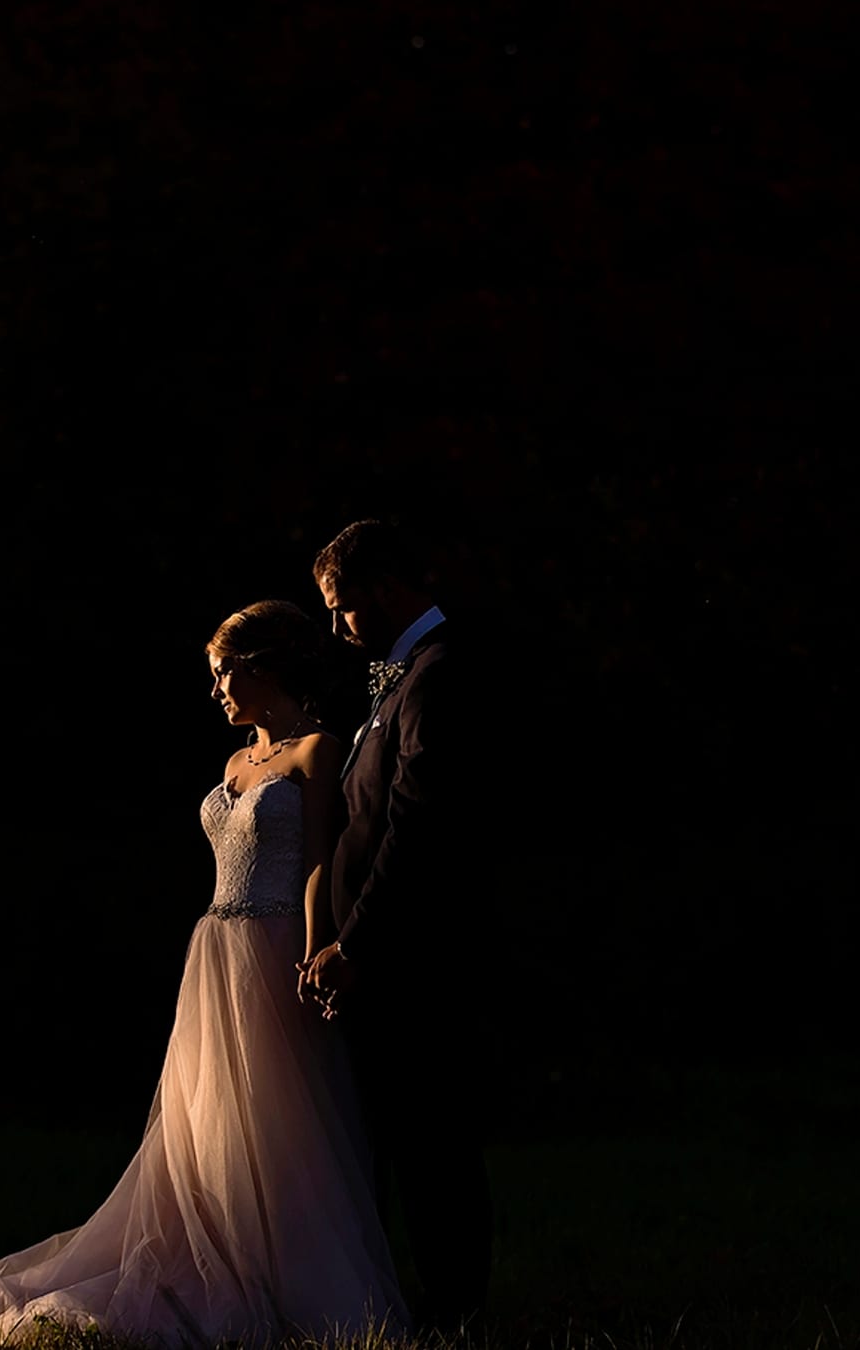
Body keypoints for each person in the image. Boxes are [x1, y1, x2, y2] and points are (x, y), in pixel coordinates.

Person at [0, 601, 405, 1346]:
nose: (218, 690)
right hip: (214, 956)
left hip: (274, 947)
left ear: (263, 669)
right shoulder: (233, 763)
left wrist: (320, 947)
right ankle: (216, 1248)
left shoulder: (317, 751)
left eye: (225, 673)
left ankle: (282, 1267)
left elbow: (322, 859)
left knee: (280, 1117)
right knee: (207, 1125)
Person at [298, 519, 495, 1334]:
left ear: (385, 587)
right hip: (381, 960)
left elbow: (418, 820)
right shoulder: (395, 673)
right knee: (390, 1136)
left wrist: (357, 940)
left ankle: (454, 1309)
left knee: (430, 1141)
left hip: (412, 957)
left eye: (344, 608)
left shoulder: (441, 673)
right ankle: (399, 1300)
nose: (340, 627)